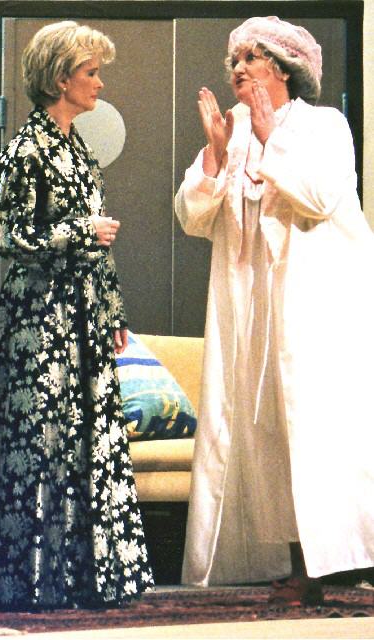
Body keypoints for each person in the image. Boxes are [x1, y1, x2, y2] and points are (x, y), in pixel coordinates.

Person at [0, 21, 153, 610]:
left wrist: (113, 309)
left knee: (85, 438)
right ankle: (28, 579)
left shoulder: (77, 148)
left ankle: (82, 577)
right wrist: (78, 231)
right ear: (61, 79)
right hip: (38, 317)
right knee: (41, 438)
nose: (99, 83)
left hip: (84, 312)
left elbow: (98, 244)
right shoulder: (26, 150)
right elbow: (6, 236)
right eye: (91, 72)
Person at [175, 16, 374, 605]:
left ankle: (333, 564)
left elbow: (318, 199)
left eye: (251, 58)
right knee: (266, 435)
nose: (238, 69)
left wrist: (272, 138)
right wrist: (215, 156)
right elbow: (192, 217)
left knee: (316, 430)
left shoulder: (323, 125)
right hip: (253, 300)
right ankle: (294, 565)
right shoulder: (233, 129)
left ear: (284, 69)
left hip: (316, 304)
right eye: (234, 60)